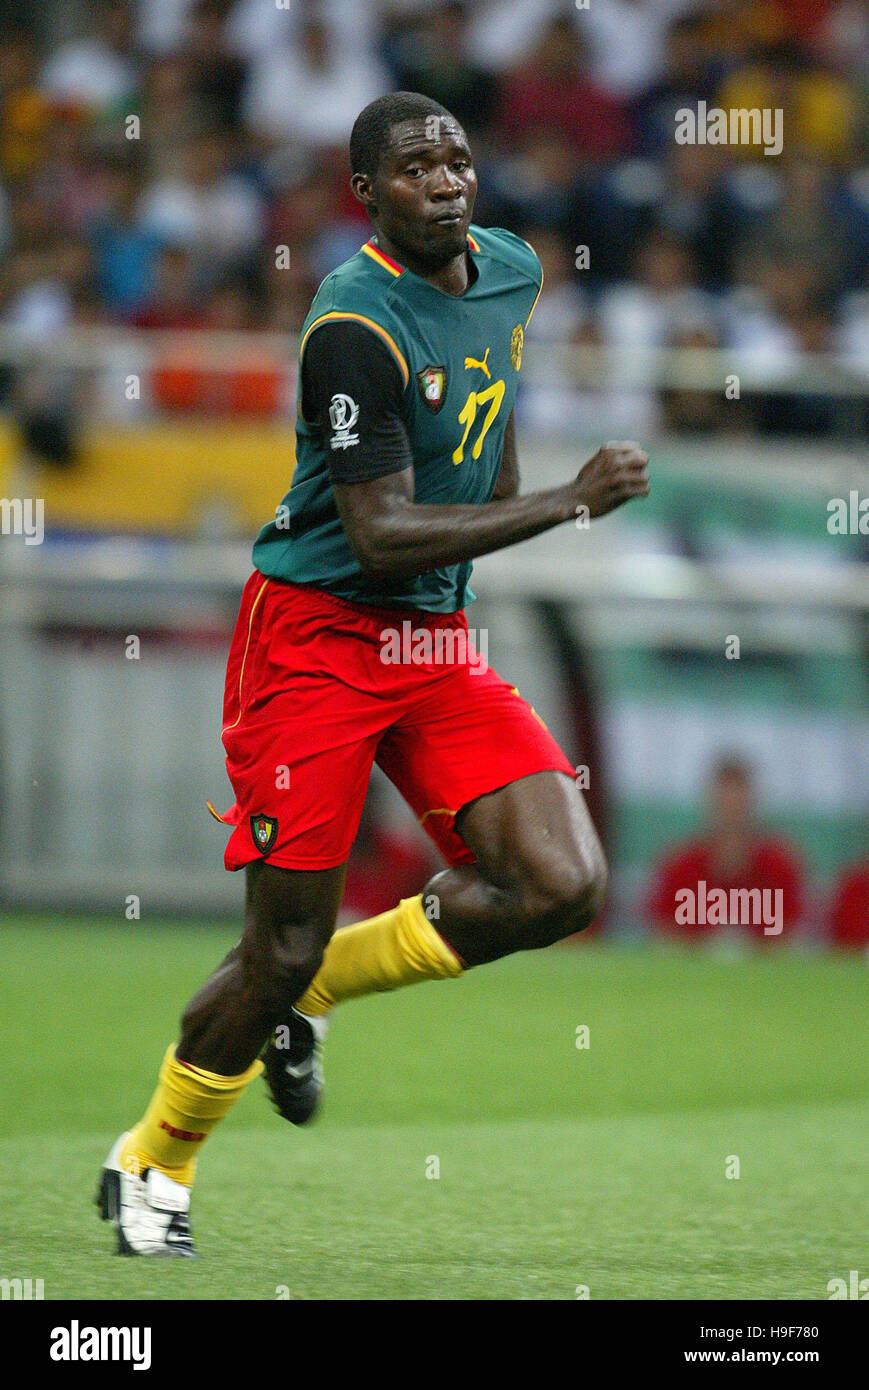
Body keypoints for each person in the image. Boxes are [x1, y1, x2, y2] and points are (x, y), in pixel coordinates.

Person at [97, 91, 649, 1257]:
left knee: (560, 882)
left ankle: (319, 993)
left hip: (429, 643)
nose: (445, 179)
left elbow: (490, 408)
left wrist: (502, 511)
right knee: (275, 944)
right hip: (317, 639)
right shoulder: (352, 323)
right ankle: (152, 1160)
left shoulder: (507, 268)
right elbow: (377, 534)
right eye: (414, 167)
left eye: (457, 157)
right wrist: (562, 503)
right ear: (367, 194)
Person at [647, 754, 804, 943]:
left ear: (751, 801)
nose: (731, 806)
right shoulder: (681, 865)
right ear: (710, 801)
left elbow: (793, 935)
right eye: (725, 796)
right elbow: (663, 932)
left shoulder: (778, 866)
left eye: (738, 796)